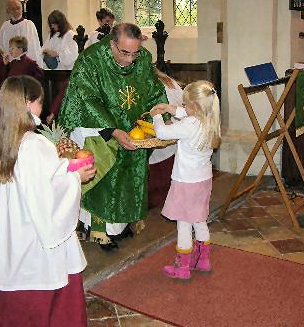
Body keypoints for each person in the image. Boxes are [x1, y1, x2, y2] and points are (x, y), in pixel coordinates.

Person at [0, 75, 95, 327]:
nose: (43, 106)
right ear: (28, 104)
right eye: (39, 102)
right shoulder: (35, 144)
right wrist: (76, 178)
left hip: (17, 226)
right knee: (42, 282)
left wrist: (65, 167)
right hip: (36, 233)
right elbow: (45, 194)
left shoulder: (9, 140)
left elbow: (37, 178)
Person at [58, 23, 168, 250]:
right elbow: (85, 99)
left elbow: (153, 88)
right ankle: (99, 230)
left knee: (130, 174)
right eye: (124, 52)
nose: (130, 59)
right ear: (112, 43)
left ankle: (123, 224)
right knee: (106, 177)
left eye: (135, 53)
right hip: (98, 130)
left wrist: (159, 115)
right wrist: (113, 130)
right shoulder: (91, 60)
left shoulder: (143, 59)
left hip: (133, 128)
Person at [150, 80, 221, 280]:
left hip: (186, 182)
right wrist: (170, 108)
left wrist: (157, 117)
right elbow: (186, 114)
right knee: (199, 219)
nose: (183, 107)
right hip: (203, 181)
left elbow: (162, 133)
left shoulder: (189, 125)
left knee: (183, 224)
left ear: (194, 107)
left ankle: (183, 267)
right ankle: (203, 260)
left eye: (185, 104)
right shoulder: (209, 119)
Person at [148, 69, 183, 209]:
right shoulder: (169, 80)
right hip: (179, 132)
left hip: (166, 135)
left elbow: (159, 118)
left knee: (161, 179)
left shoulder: (153, 84)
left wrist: (156, 117)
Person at [42, 10, 79, 121]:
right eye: (51, 24)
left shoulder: (70, 35)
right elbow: (43, 49)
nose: (53, 27)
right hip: (52, 75)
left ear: (61, 22)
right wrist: (46, 52)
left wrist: (57, 53)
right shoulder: (52, 36)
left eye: (54, 23)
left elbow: (73, 55)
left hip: (65, 73)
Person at [0, 0, 43, 67]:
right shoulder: (5, 26)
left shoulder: (28, 25)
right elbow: (1, 46)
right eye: (13, 9)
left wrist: (36, 65)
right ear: (8, 10)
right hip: (10, 65)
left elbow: (34, 47)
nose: (16, 11)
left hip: (26, 65)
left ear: (22, 9)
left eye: (18, 8)